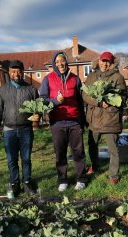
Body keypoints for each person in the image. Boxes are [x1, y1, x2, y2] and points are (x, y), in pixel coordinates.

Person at [40, 51, 88, 192]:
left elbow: (80, 101)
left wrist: (82, 120)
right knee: (60, 152)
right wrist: (55, 101)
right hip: (57, 122)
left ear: (66, 62)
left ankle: (81, 179)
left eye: (62, 61)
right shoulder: (48, 79)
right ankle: (63, 180)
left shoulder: (75, 78)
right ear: (54, 64)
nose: (60, 64)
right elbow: (43, 99)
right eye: (57, 62)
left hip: (74, 121)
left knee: (78, 151)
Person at [0, 60, 38, 196]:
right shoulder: (3, 89)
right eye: (13, 71)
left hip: (26, 130)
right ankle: (14, 184)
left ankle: (27, 182)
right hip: (9, 130)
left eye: (18, 71)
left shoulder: (31, 89)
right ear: (9, 73)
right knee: (11, 159)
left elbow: (39, 108)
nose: (16, 74)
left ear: (22, 72)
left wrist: (38, 117)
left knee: (26, 158)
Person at [82, 51, 127, 185]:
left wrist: (110, 100)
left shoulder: (118, 77)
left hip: (110, 118)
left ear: (112, 63)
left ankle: (113, 174)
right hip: (94, 118)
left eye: (108, 61)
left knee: (113, 148)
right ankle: (95, 166)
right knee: (92, 145)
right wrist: (98, 102)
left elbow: (123, 98)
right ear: (98, 61)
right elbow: (84, 94)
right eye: (103, 60)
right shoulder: (92, 76)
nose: (104, 64)